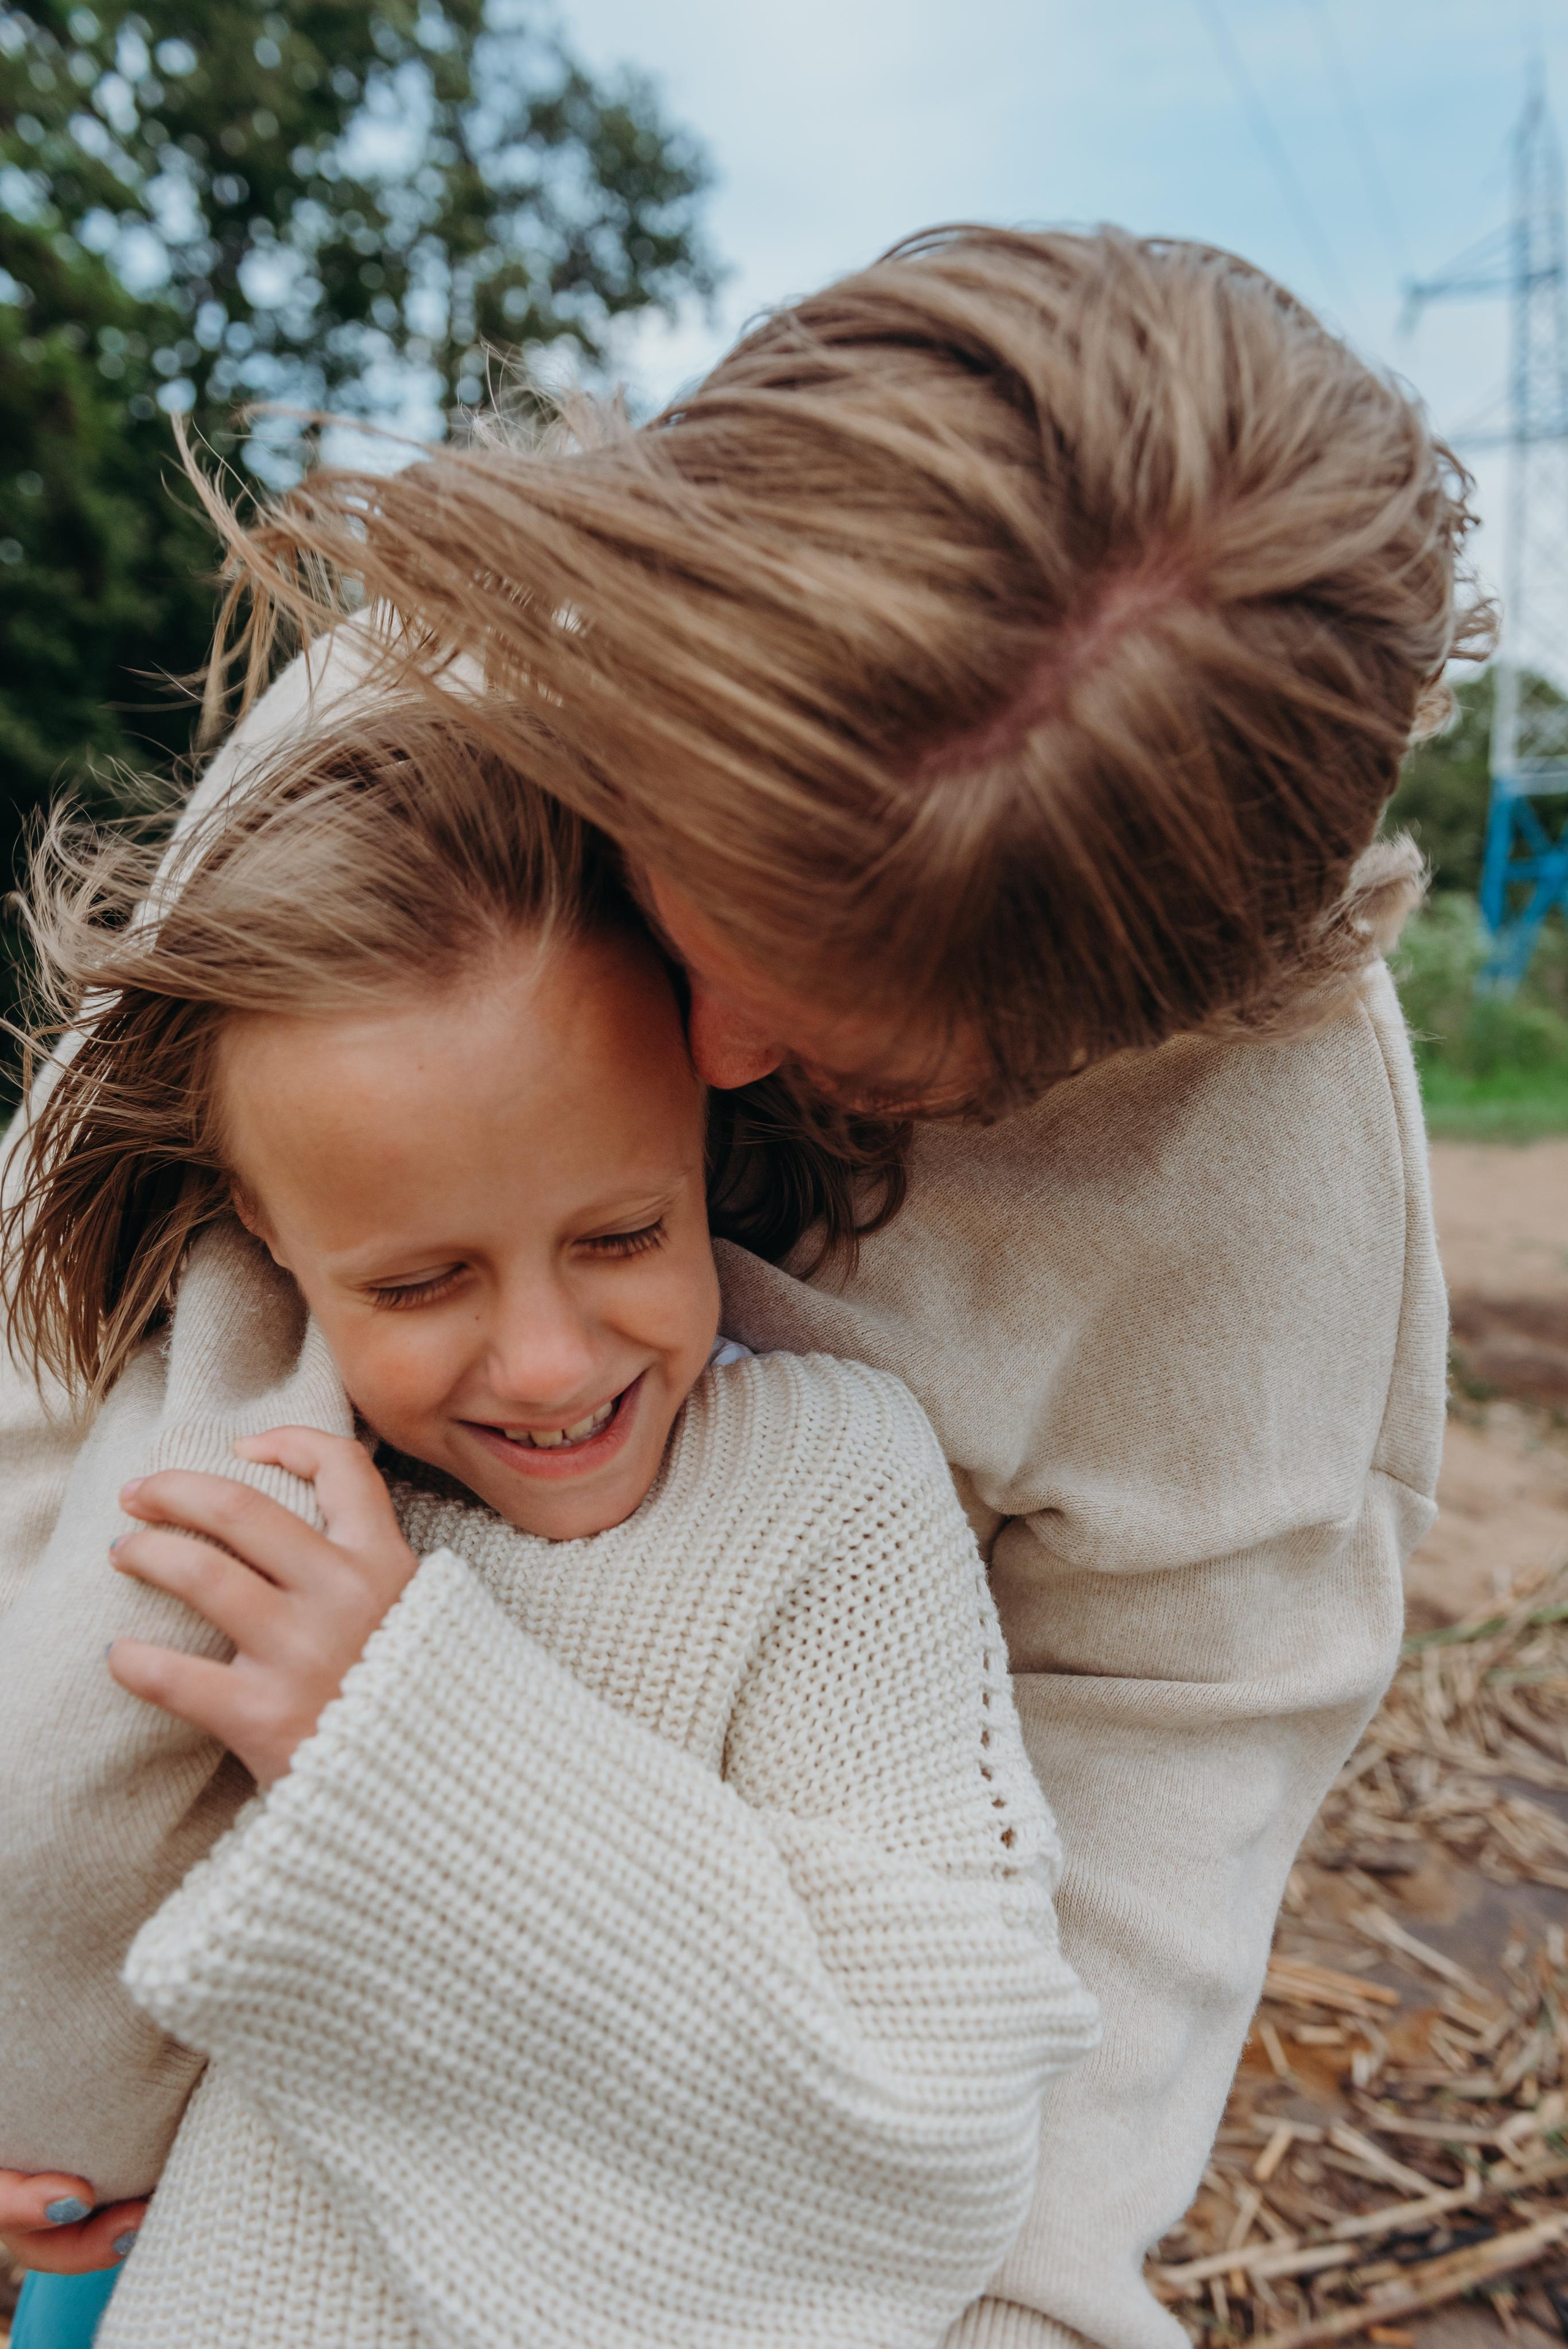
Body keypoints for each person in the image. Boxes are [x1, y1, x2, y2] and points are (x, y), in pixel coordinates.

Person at [2, 222, 1485, 2348]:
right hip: (210, 2060)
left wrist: (1017, 2300)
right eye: (694, 902)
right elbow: (76, 1308)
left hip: (715, 2093)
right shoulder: (437, 716)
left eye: (847, 1049)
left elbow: (1159, 1791)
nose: (697, 1071)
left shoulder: (1260, 1165)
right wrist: (41, 2037)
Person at [0, 698, 1097, 2349]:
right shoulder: (213, 1471)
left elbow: (927, 2130)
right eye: (419, 1278)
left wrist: (401, 1744)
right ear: (264, 1227)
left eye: (622, 1231)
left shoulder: (826, 1495)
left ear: (708, 1132)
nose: (548, 1362)